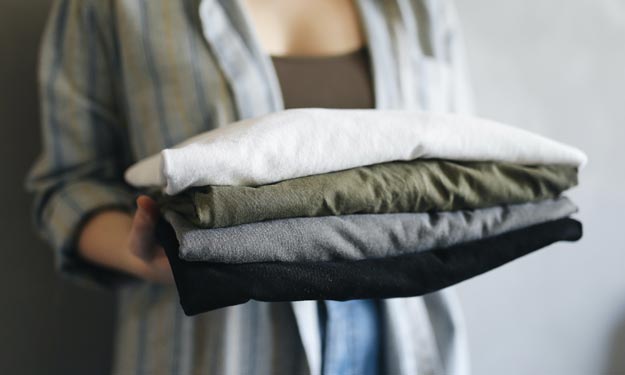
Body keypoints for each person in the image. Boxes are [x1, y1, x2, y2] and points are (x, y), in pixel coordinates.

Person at [25, 0, 474, 374]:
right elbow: (66, 185)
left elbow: (463, 167)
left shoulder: (421, 7)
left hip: (402, 340)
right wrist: (144, 256)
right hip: (215, 344)